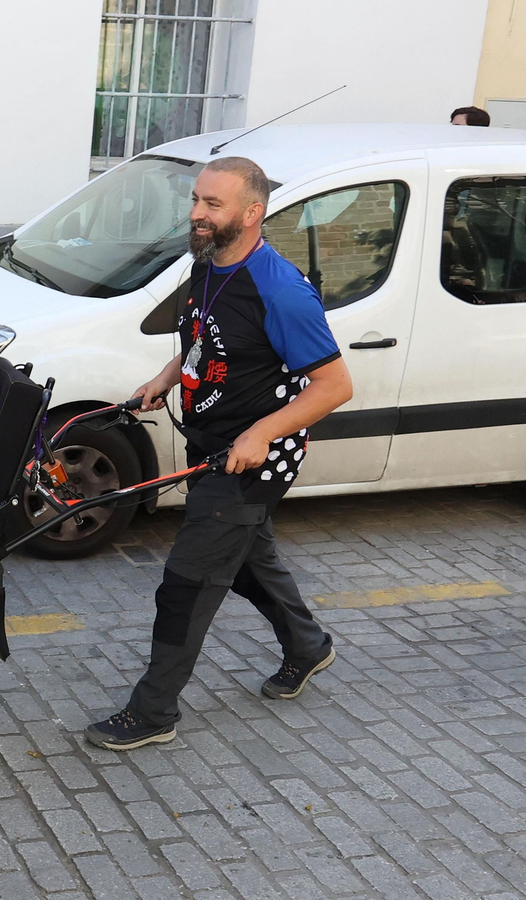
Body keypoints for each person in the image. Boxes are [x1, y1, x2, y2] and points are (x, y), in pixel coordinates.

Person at [85, 157, 354, 752]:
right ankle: (308, 645)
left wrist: (262, 434)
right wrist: (165, 377)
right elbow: (204, 338)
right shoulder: (207, 262)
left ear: (252, 213)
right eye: (196, 200)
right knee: (248, 562)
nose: (197, 214)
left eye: (213, 204)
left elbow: (335, 386)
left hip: (253, 463)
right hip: (212, 448)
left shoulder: (281, 290)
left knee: (186, 584)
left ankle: (153, 712)